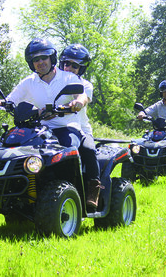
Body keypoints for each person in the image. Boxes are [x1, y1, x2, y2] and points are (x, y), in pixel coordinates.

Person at [0, 38, 87, 148]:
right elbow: (11, 100)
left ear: (51, 58)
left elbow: (82, 94)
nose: (41, 62)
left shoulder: (68, 77)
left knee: (69, 148)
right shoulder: (28, 82)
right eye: (36, 59)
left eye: (44, 58)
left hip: (66, 128)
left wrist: (79, 101)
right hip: (40, 130)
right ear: (31, 63)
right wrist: (1, 103)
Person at [59, 43, 101, 209]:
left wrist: (78, 102)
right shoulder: (53, 81)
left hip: (81, 129)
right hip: (55, 128)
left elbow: (84, 98)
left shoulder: (85, 85)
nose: (68, 68)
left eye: (74, 65)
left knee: (89, 149)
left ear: (81, 69)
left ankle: (93, 189)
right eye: (66, 63)